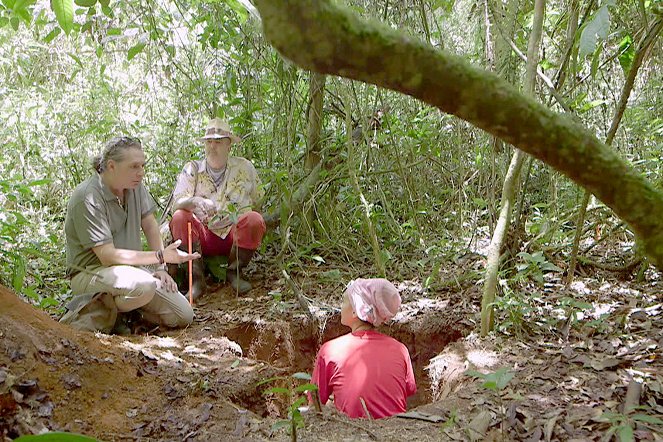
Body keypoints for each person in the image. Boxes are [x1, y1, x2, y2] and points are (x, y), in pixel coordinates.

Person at [60, 136, 199, 334]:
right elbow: (107, 256)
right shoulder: (87, 197)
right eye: (134, 166)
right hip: (90, 273)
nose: (141, 173)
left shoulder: (134, 187)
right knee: (144, 285)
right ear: (111, 166)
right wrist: (160, 255)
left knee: (183, 315)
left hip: (131, 273)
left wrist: (161, 268)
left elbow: (150, 225)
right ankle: (111, 314)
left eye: (142, 165)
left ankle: (126, 313)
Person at [165, 118, 265, 297]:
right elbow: (176, 204)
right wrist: (195, 201)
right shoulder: (192, 169)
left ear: (229, 145)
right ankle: (196, 279)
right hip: (202, 236)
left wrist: (241, 219)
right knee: (180, 217)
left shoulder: (244, 167)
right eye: (209, 142)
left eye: (218, 142)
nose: (213, 146)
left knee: (254, 219)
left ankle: (234, 273)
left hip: (233, 237)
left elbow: (258, 200)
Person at [311, 278, 416, 419]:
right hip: (397, 431)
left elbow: (315, 403)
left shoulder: (330, 350)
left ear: (356, 311)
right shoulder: (400, 349)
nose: (341, 306)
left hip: (352, 431)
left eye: (344, 301)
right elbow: (408, 390)